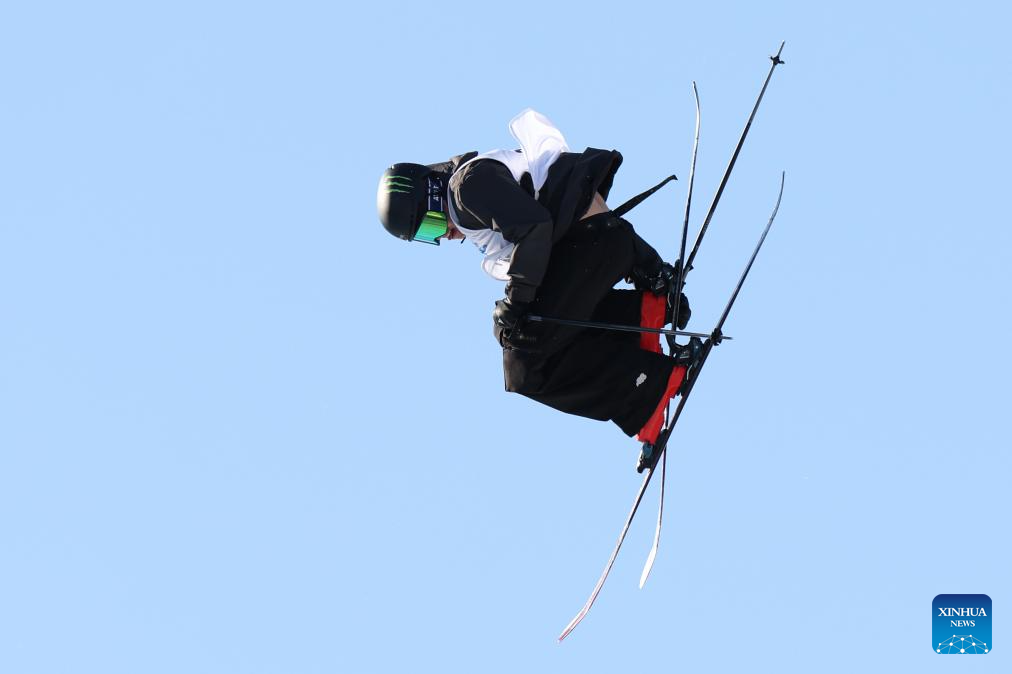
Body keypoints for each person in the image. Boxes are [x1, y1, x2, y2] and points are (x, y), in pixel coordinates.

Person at [376, 109, 701, 470]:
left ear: (432, 191)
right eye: (428, 235)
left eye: (432, 222)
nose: (444, 234)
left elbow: (536, 228)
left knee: (523, 361)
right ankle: (643, 315)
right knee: (538, 330)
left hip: (593, 246)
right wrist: (648, 266)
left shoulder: (464, 188)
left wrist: (515, 304)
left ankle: (652, 387)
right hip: (600, 246)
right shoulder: (472, 186)